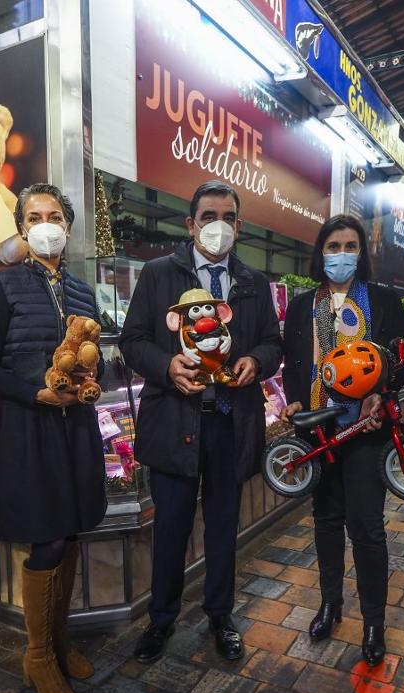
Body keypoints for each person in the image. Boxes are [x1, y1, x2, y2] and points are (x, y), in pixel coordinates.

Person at [119, 180, 282, 664]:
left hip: (229, 425)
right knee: (169, 526)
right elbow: (132, 341)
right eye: (208, 216)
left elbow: (273, 343)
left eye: (227, 217)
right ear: (190, 225)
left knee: (222, 528)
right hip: (174, 422)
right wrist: (166, 367)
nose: (218, 226)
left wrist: (257, 360)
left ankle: (220, 615)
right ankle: (161, 618)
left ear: (239, 225)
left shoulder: (252, 282)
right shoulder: (157, 275)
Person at [0, 183, 106, 693]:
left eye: (54, 216)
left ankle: (60, 639)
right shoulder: (3, 286)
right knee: (46, 540)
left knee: (70, 534)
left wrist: (92, 377)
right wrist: (36, 392)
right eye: (34, 216)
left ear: (67, 228)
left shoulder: (83, 293)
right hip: (30, 426)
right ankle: (38, 657)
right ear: (22, 228)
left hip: (77, 427)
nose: (45, 224)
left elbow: (95, 357)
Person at [279, 214, 404, 667]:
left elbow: (398, 361)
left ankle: (374, 622)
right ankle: (330, 605)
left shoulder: (384, 301)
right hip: (316, 429)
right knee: (327, 521)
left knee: (367, 529)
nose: (341, 254)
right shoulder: (300, 306)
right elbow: (291, 364)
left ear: (362, 252)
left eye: (350, 245)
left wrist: (380, 392)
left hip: (364, 430)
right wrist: (295, 401)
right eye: (333, 246)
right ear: (320, 252)